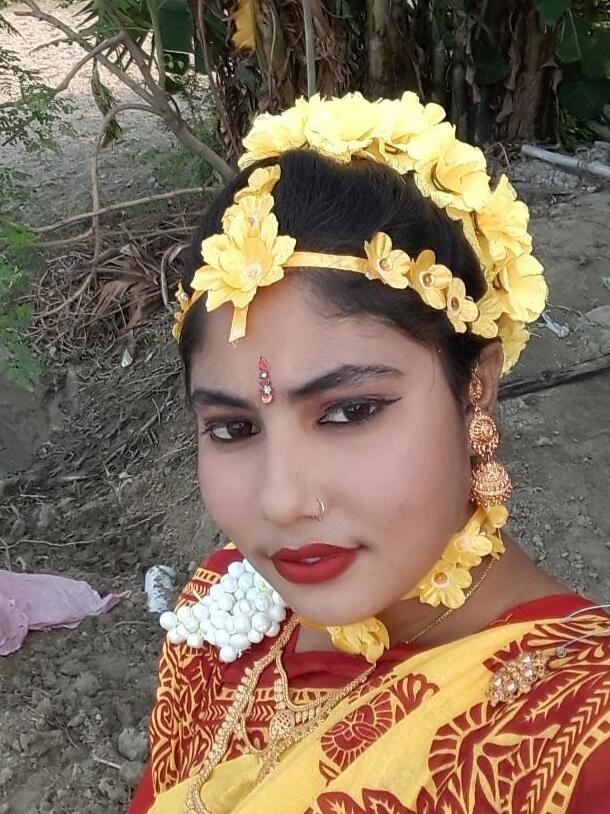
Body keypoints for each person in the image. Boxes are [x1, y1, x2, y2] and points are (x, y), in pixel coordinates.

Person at [128, 92, 610, 814]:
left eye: (350, 412)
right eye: (232, 428)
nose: (282, 502)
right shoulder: (226, 606)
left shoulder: (576, 736)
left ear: (476, 389)